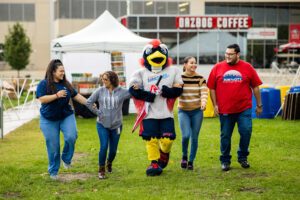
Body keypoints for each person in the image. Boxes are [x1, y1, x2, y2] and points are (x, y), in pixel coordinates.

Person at [129, 39, 183, 176]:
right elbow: (133, 90)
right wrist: (148, 95)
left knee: (168, 139)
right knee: (151, 139)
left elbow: (179, 89)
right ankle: (153, 162)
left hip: (166, 113)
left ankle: (164, 153)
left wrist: (167, 92)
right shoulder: (140, 73)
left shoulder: (173, 71)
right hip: (148, 113)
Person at [207, 44, 263, 171]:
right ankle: (225, 160)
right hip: (225, 109)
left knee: (246, 131)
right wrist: (215, 104)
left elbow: (255, 87)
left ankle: (242, 157)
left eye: (230, 54)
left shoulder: (247, 67)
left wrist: (259, 105)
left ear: (238, 54)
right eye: (226, 53)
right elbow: (212, 88)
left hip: (244, 108)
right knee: (225, 135)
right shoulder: (217, 67)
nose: (227, 56)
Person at [36, 59, 87, 180]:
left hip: (66, 115)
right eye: (60, 71)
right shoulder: (44, 84)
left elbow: (76, 96)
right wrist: (56, 95)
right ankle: (53, 171)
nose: (63, 73)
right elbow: (42, 99)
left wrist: (90, 103)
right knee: (53, 146)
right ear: (53, 71)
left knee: (71, 136)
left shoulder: (66, 84)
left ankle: (66, 158)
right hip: (49, 119)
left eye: (64, 71)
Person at [86, 71, 131, 179]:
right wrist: (98, 112)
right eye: (103, 79)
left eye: (106, 79)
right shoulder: (100, 91)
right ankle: (101, 169)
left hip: (117, 125)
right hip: (102, 124)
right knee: (104, 146)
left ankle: (109, 162)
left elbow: (135, 93)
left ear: (113, 80)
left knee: (113, 150)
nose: (103, 81)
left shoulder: (122, 92)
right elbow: (88, 102)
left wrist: (136, 87)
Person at [178, 56, 208, 170]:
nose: (194, 65)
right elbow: (175, 91)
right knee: (186, 136)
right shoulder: (179, 78)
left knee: (194, 137)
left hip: (197, 112)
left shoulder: (200, 78)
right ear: (185, 64)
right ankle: (184, 155)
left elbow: (204, 92)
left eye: (195, 63)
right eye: (191, 63)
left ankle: (190, 161)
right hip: (183, 111)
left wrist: (203, 103)